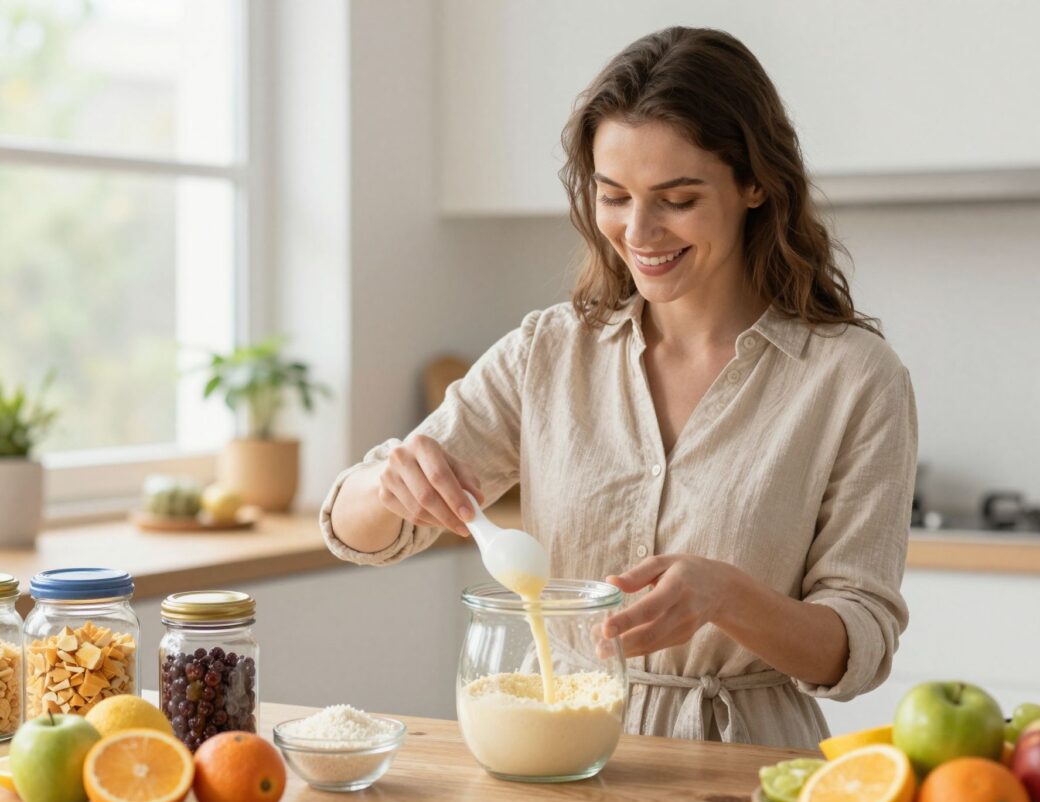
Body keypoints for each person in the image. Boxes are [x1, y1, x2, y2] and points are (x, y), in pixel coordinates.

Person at [321, 27, 917, 747]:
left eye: (678, 199)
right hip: (554, 747)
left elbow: (859, 648)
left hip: (745, 768)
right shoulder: (548, 353)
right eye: (613, 195)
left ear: (756, 184)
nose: (639, 231)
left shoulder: (854, 378)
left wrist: (726, 597)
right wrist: (388, 484)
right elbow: (354, 531)